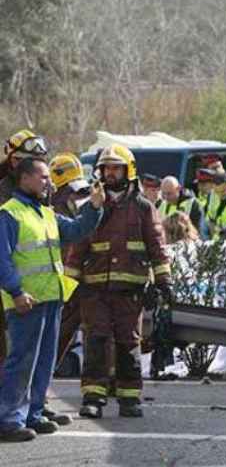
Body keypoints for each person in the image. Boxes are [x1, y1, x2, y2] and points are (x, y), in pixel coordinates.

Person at [0, 157, 104, 442]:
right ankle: (9, 420)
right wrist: (16, 292)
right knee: (22, 360)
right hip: (26, 302)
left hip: (50, 298)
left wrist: (94, 207)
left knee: (44, 361)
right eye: (43, 177)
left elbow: (76, 230)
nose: (49, 183)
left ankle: (33, 414)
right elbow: (2, 260)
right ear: (24, 179)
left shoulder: (45, 213)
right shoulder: (9, 214)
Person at [65, 145, 172, 420]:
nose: (110, 173)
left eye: (116, 168)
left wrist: (164, 282)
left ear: (129, 171)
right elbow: (77, 246)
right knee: (96, 340)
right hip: (94, 289)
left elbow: (157, 246)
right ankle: (93, 397)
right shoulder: (91, 206)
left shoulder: (143, 208)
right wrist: (68, 285)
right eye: (106, 168)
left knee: (128, 342)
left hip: (131, 291)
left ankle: (129, 398)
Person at [0, 131, 49, 389]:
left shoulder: (38, 193)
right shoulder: (4, 196)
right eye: (25, 160)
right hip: (8, 282)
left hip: (30, 286)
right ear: (13, 162)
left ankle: (32, 404)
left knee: (33, 349)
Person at [49, 154, 95, 396]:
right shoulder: (48, 211)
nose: (75, 194)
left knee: (83, 337)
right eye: (69, 189)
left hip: (81, 282)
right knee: (53, 341)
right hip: (58, 284)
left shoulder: (81, 202)